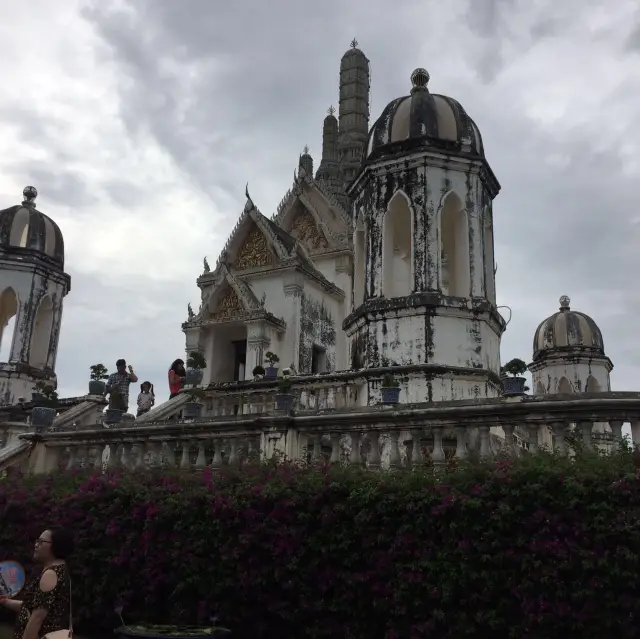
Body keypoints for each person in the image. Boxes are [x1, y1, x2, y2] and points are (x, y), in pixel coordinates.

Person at [0, 528, 73, 639]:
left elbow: (37, 618)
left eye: (41, 541)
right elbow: (31, 607)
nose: (36, 544)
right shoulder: (61, 570)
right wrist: (5, 601)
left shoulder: (50, 574)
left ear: (56, 546)